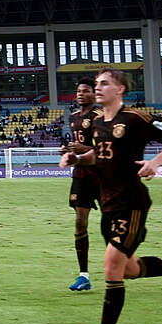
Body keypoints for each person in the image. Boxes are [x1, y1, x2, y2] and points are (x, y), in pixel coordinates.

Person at [61, 69, 162, 324]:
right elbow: (98, 155)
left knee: (111, 267)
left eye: (105, 84)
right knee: (130, 269)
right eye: (98, 84)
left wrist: (156, 162)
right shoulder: (98, 123)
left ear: (121, 89)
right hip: (108, 204)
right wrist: (76, 157)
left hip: (132, 204)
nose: (98, 88)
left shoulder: (135, 118)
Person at [61, 78, 102, 292]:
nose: (80, 94)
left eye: (85, 91)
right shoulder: (74, 117)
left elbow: (103, 148)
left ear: (94, 94)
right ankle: (83, 275)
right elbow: (79, 147)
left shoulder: (101, 117)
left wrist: (81, 147)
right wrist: (69, 150)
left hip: (103, 174)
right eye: (78, 91)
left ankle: (123, 263)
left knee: (111, 224)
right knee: (79, 221)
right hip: (81, 174)